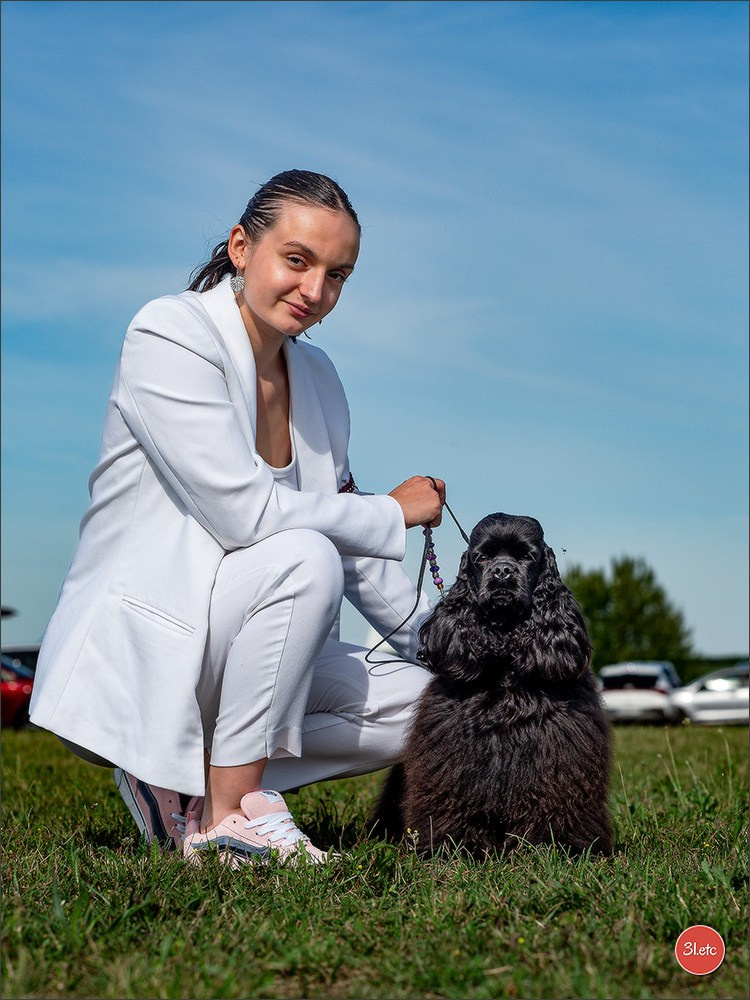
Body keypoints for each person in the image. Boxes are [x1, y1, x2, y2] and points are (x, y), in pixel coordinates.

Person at [29, 169, 446, 866]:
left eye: (338, 275)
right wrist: (389, 512)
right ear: (241, 247)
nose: (315, 291)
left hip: (255, 641)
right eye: (297, 260)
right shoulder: (168, 333)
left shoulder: (321, 380)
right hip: (154, 646)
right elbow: (246, 517)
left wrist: (464, 658)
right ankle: (230, 815)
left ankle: (183, 787)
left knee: (432, 709)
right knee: (303, 554)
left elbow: (355, 558)